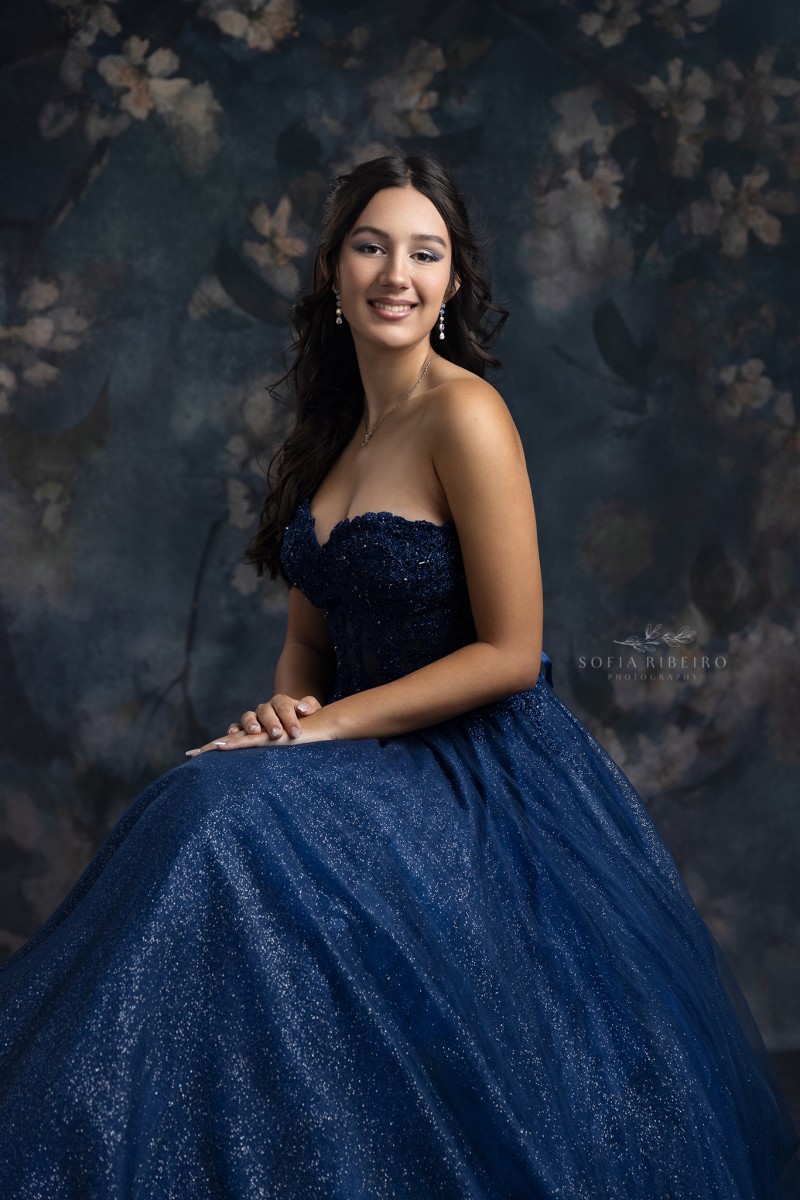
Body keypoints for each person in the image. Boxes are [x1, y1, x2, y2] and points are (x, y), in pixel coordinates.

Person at [0, 152, 798, 1200]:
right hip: (361, 753)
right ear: (331, 270)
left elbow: (512, 655)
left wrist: (321, 730)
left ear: (452, 281)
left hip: (472, 768)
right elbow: (308, 648)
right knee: (192, 808)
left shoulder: (464, 415)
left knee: (212, 816)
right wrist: (291, 702)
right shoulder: (329, 443)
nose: (396, 273)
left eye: (425, 253)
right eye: (372, 246)